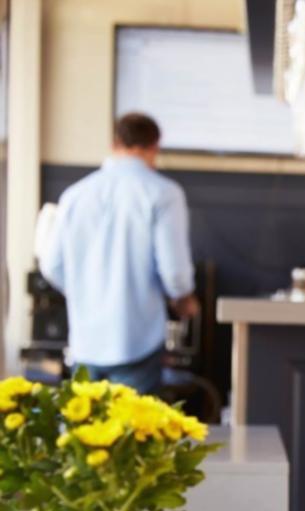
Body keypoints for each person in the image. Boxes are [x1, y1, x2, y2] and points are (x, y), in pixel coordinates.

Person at [40, 112, 198, 394]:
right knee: (130, 434)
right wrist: (183, 300)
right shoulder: (163, 193)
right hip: (136, 340)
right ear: (154, 147)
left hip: (85, 342)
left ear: (115, 143)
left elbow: (51, 265)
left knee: (85, 433)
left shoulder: (75, 194)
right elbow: (174, 272)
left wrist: (84, 290)